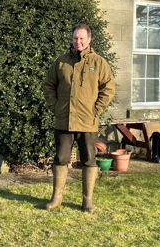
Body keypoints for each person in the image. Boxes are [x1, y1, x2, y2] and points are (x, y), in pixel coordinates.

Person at [42, 24, 115, 213]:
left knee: (90, 160)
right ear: (72, 39)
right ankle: (57, 197)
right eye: (75, 38)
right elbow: (48, 85)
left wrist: (96, 110)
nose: (78, 42)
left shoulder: (99, 63)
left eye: (82, 38)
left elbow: (108, 89)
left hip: (87, 122)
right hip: (64, 120)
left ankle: (87, 200)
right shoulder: (61, 62)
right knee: (60, 159)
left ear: (89, 40)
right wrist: (55, 107)